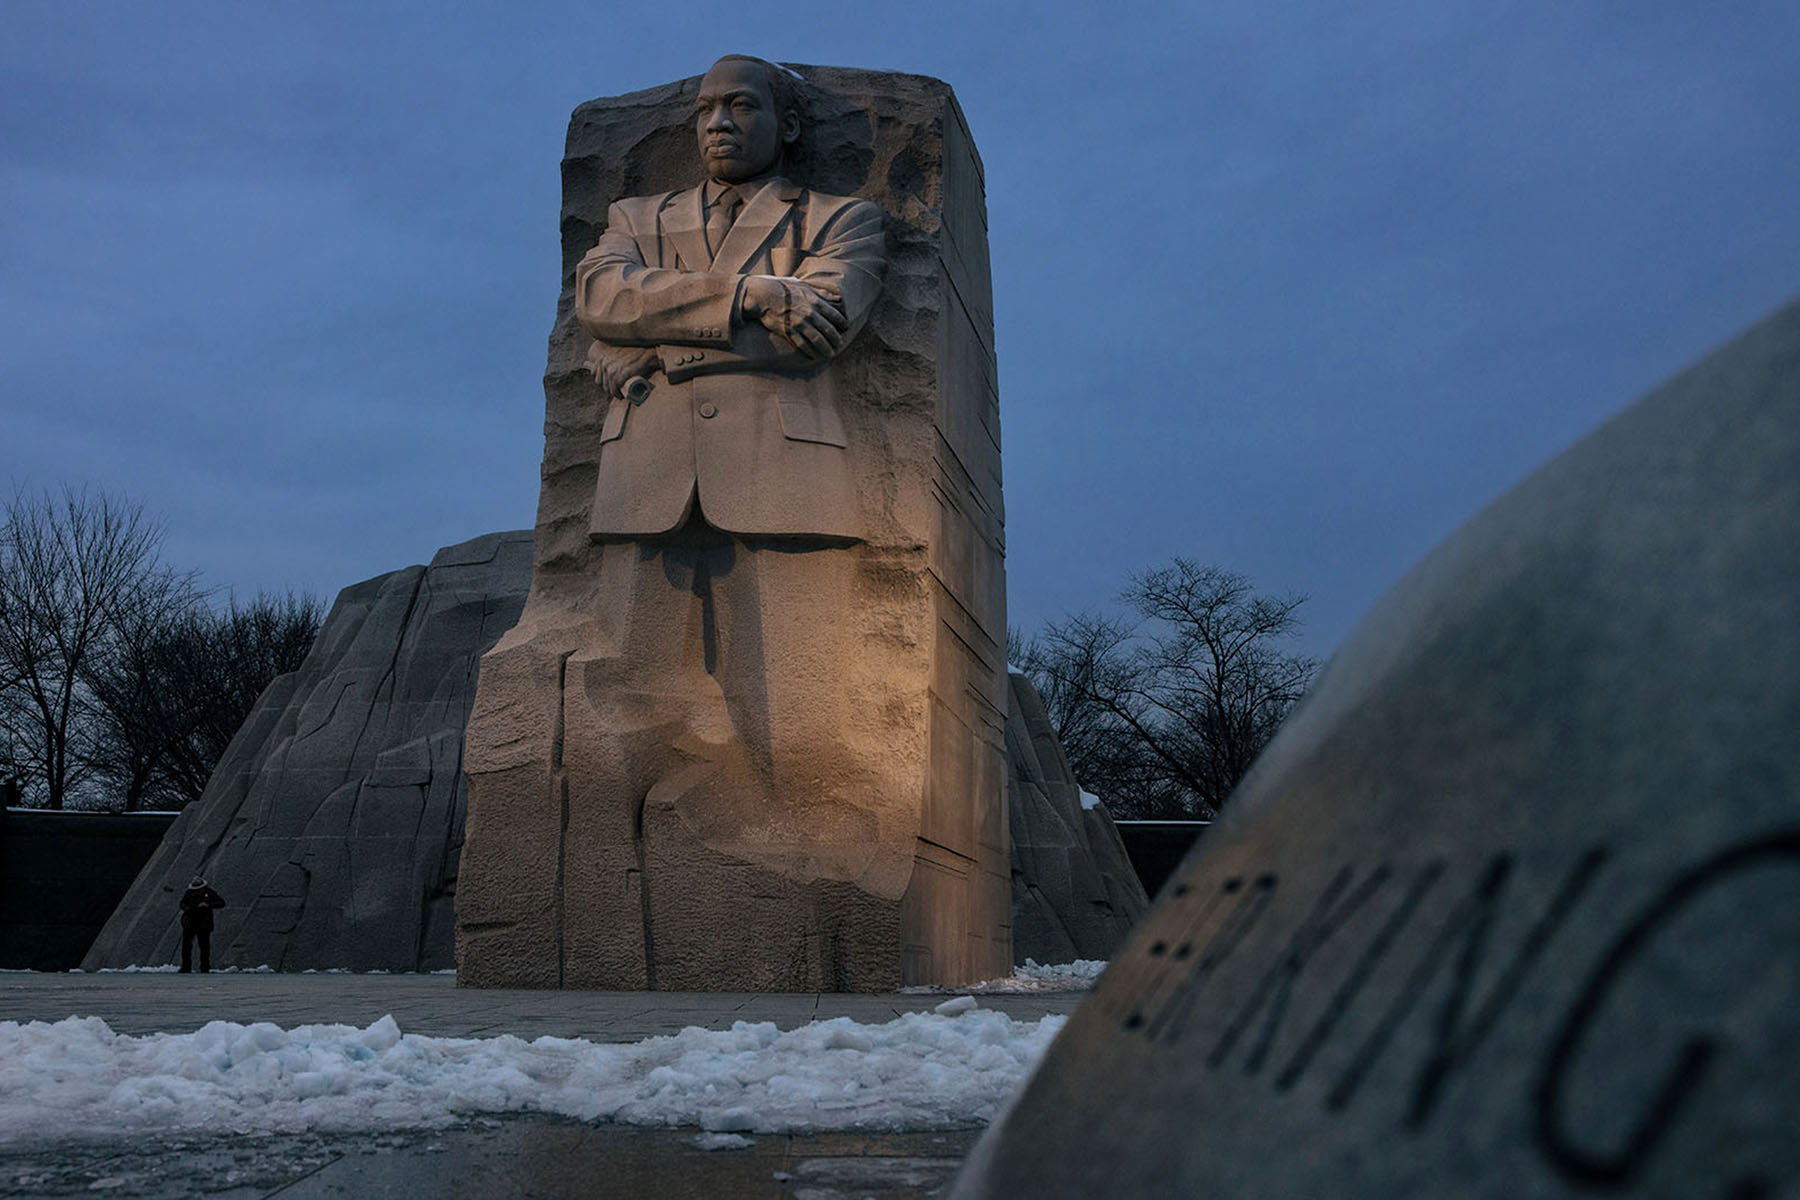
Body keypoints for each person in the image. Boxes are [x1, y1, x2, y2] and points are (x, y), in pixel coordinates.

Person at [178, 875, 225, 973]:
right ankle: (186, 967)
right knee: (186, 946)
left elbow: (221, 903)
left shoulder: (209, 892)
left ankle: (205, 966)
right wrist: (190, 908)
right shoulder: (189, 893)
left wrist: (208, 905)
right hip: (190, 921)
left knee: (204, 946)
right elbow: (182, 904)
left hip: (204, 922)